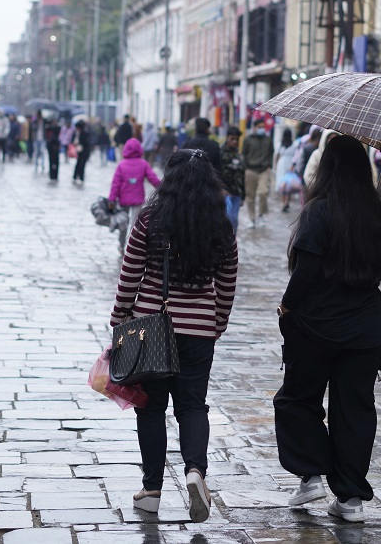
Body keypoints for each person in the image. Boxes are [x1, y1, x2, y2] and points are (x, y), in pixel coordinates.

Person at [273, 135, 381, 524]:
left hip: (314, 326)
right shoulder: (378, 214)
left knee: (297, 399)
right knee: (354, 411)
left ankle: (312, 472)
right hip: (363, 332)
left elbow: (307, 271)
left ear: (326, 168)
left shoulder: (318, 212)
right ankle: (350, 500)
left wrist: (286, 306)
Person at [110, 148, 238, 524]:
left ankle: (151, 490)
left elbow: (130, 272)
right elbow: (227, 280)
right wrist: (218, 321)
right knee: (193, 405)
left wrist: (120, 317)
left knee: (150, 408)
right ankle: (195, 471)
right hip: (199, 329)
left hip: (151, 327)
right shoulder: (220, 224)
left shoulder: (150, 219)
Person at [108, 137, 161, 252]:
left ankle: (122, 245)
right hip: (138, 199)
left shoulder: (121, 165)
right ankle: (133, 247)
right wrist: (164, 188)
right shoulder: (143, 164)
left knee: (123, 223)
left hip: (123, 199)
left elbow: (115, 184)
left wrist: (111, 200)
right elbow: (153, 179)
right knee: (136, 224)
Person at [242, 119, 274, 227]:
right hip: (250, 170)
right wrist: (245, 166)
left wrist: (269, 165)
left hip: (264, 170)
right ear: (254, 127)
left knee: (263, 193)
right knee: (250, 196)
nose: (261, 129)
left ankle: (261, 215)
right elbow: (244, 153)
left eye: (263, 127)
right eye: (259, 127)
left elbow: (271, 152)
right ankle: (252, 218)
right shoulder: (248, 139)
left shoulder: (268, 139)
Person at [219, 126, 245, 231]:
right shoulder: (220, 153)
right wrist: (220, 188)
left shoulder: (239, 155)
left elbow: (242, 176)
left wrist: (243, 196)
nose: (235, 142)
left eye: (237, 140)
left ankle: (232, 243)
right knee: (226, 219)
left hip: (237, 193)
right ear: (227, 138)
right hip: (224, 193)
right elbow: (216, 173)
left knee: (234, 220)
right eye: (232, 139)